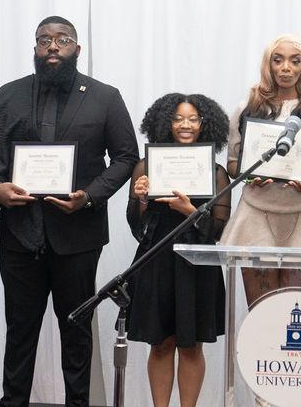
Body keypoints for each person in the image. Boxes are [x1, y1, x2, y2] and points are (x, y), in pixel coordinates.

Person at [0, 16, 139, 407]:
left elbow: (127, 156)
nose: (52, 47)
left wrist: (91, 196)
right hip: (20, 235)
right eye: (44, 40)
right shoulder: (7, 96)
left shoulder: (104, 97)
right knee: (20, 332)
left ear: (77, 49)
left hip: (77, 237)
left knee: (76, 332)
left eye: (62, 40)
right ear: (35, 50)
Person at [125, 93, 230, 407]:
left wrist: (190, 211)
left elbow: (219, 231)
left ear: (205, 124)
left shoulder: (216, 172)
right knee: (159, 345)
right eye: (178, 118)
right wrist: (141, 199)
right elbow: (134, 227)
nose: (186, 125)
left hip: (198, 263)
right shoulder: (146, 166)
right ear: (165, 123)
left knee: (191, 346)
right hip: (156, 261)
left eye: (193, 119)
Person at [221, 34, 301, 306]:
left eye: (294, 61)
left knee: (292, 314)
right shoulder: (248, 107)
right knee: (260, 312)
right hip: (255, 216)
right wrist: (249, 175)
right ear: (269, 65)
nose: (286, 67)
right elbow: (231, 166)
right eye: (278, 60)